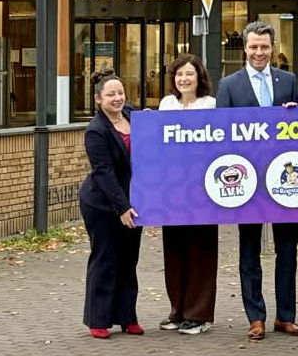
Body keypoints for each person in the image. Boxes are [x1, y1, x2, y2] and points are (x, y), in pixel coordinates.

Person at [216, 21, 298, 340]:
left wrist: (296, 112)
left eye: (264, 47)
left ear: (272, 47)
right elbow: (221, 135)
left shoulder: (288, 80)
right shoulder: (229, 85)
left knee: (288, 250)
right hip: (248, 182)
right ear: (244, 48)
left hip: (284, 180)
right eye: (253, 46)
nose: (259, 52)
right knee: (249, 252)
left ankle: (285, 317)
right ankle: (256, 318)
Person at [78, 69, 143, 339]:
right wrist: (122, 207)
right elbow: (103, 172)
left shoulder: (132, 115)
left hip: (134, 200)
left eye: (120, 93)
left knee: (129, 259)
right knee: (105, 258)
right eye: (110, 95)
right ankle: (98, 319)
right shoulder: (96, 130)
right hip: (102, 204)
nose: (117, 98)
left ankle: (127, 316)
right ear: (98, 99)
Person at [158, 54, 218, 335]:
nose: (184, 79)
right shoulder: (166, 104)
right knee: (174, 251)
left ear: (199, 77)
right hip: (172, 191)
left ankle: (199, 314)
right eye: (179, 74)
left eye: (189, 73)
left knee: (201, 250)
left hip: (203, 191)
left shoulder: (211, 105)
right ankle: (178, 310)